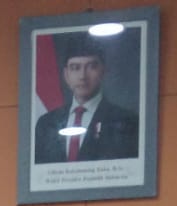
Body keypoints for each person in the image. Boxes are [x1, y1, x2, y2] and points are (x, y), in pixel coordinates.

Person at [33, 34, 140, 164]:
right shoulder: (46, 124)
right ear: (66, 74)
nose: (82, 76)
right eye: (75, 68)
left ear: (103, 71)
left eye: (91, 66)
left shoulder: (126, 122)